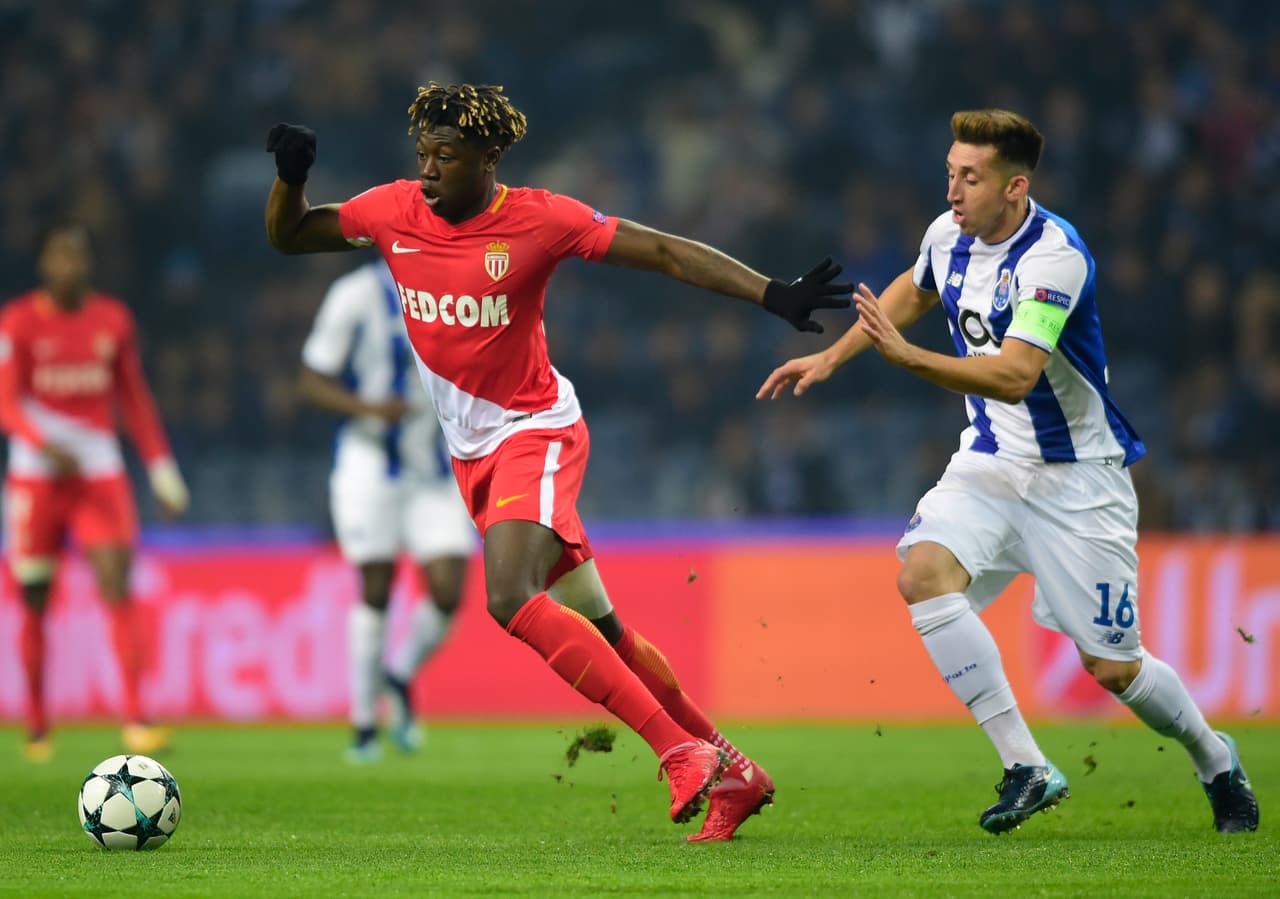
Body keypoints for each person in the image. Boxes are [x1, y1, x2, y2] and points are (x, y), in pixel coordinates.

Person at [264, 82, 850, 840]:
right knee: (607, 634)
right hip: (472, 456)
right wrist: (291, 178)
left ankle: (679, 751)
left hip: (536, 433)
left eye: (447, 155)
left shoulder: (539, 219)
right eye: (424, 154)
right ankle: (736, 768)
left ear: (490, 158)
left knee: (509, 596)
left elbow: (665, 251)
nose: (431, 169)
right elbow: (289, 236)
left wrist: (772, 294)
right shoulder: (392, 211)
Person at [758, 109, 1259, 834]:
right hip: (990, 462)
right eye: (950, 173)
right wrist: (832, 358)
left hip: (1077, 481)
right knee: (921, 573)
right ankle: (1026, 764)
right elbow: (914, 286)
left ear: (1016, 187)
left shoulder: (1055, 258)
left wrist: (909, 358)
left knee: (1114, 670)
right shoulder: (947, 233)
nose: (954, 190)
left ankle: (1215, 757)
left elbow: (1018, 374)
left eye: (971, 177)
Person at [0, 222, 190, 761]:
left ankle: (135, 719)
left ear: (88, 265)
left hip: (98, 470)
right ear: (44, 265)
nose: (69, 267)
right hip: (36, 474)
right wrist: (42, 441)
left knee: (116, 583)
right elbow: (6, 401)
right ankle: (37, 724)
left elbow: (134, 398)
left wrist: (161, 469)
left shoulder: (112, 320)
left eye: (77, 257)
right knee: (35, 597)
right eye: (59, 257)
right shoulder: (17, 322)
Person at [299, 257, 475, 763]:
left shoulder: (459, 285)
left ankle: (397, 676)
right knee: (375, 586)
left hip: (432, 469)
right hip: (370, 461)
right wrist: (370, 409)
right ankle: (362, 726)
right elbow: (311, 381)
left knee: (448, 589)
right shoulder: (356, 293)